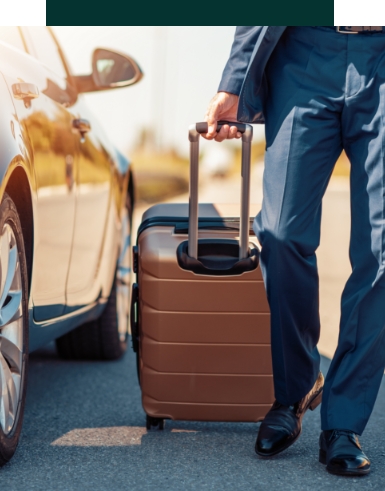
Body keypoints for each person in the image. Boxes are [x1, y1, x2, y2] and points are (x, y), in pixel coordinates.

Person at [202, 26, 385, 477]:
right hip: (305, 53)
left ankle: (343, 424)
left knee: (382, 252)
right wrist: (233, 82)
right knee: (280, 233)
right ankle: (297, 386)